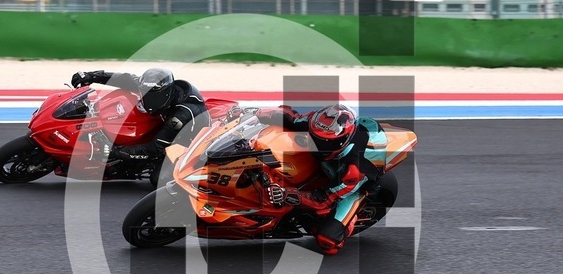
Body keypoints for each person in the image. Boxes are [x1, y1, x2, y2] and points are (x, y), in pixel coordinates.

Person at [232, 104, 383, 255]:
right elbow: (292, 118)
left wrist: (288, 195)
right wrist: (255, 113)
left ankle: (351, 220)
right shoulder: (319, 124)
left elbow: (322, 199)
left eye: (322, 142)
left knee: (327, 241)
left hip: (353, 187)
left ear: (340, 142)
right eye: (314, 136)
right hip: (333, 163)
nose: (315, 142)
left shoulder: (354, 170)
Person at [71, 68, 209, 162]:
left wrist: (114, 152)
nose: (145, 97)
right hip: (165, 121)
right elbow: (124, 79)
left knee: (160, 178)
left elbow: (156, 148)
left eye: (150, 97)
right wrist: (92, 76)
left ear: (163, 95)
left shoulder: (181, 115)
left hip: (186, 144)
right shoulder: (153, 87)